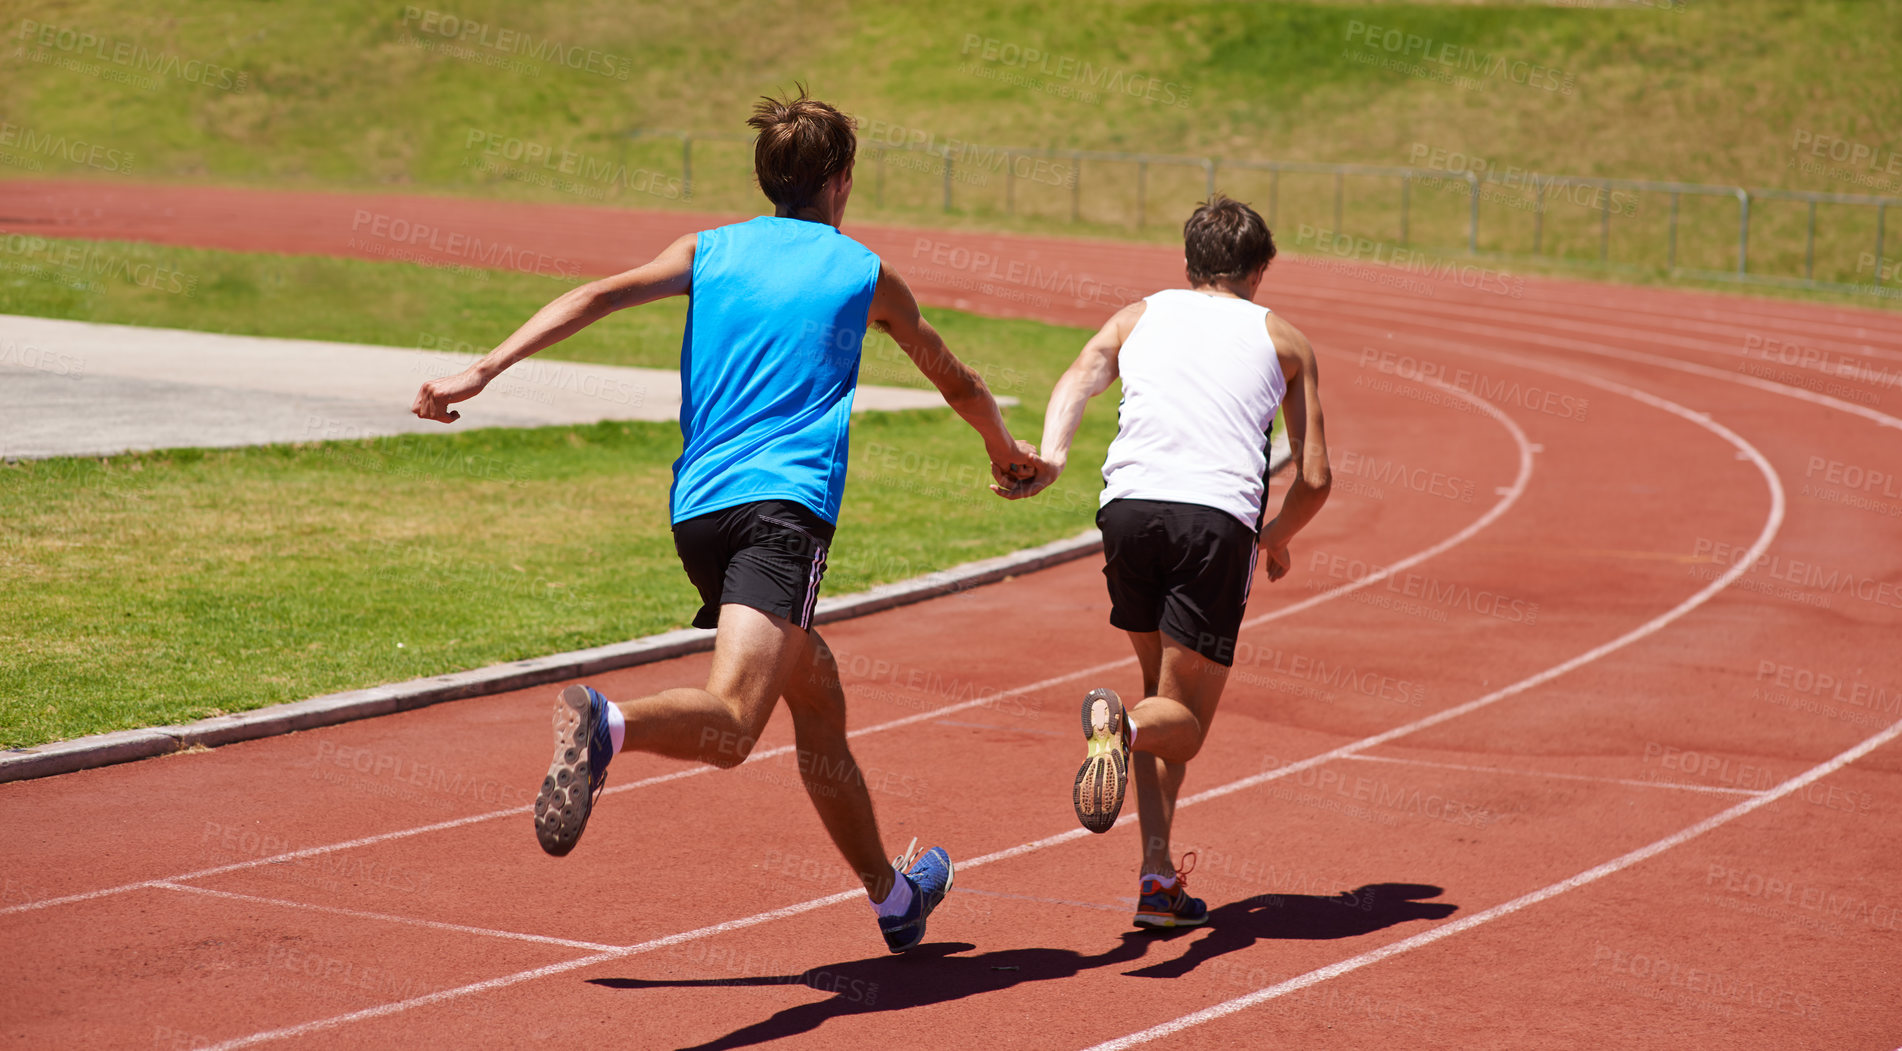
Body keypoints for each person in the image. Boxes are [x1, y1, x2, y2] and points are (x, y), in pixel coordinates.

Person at [410, 89, 1041, 953]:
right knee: (737, 723)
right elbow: (956, 378)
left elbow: (597, 295)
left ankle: (894, 897)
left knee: (815, 693)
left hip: (697, 513)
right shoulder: (864, 272)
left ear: (766, 177)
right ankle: (609, 724)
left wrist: (482, 371)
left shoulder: (707, 249)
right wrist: (1005, 451)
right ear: (842, 182)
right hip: (782, 514)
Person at [1007, 194, 1332, 929]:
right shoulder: (1286, 340)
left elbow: (1080, 377)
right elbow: (1315, 479)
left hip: (1125, 512)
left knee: (1160, 692)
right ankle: (1115, 725)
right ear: (1261, 269)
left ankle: (1156, 878)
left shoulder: (1138, 315)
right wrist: (1272, 537)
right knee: (1177, 721)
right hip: (1211, 520)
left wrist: (1054, 455)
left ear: (1188, 265)